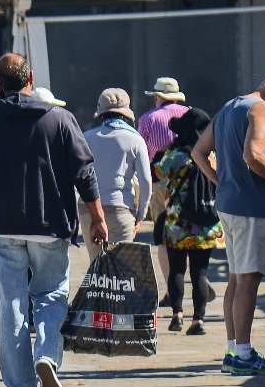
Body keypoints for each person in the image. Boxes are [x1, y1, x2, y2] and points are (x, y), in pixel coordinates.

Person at [0, 53, 101, 387]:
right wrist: (97, 217)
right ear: (31, 78)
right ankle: (47, 356)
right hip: (50, 223)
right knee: (52, 294)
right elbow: (84, 171)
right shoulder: (60, 118)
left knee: (12, 305)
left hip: (2, 223)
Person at [192, 74, 265, 374]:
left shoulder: (229, 107)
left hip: (227, 203)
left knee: (236, 280)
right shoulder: (262, 108)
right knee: (248, 281)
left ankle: (232, 351)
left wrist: (221, 181)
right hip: (251, 205)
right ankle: (244, 354)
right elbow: (253, 155)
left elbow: (198, 152)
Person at [156, 108, 220, 334]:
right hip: (206, 221)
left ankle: (177, 315)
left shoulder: (176, 156)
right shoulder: (212, 155)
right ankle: (199, 320)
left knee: (177, 269)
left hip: (177, 222)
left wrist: (164, 151)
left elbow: (157, 172)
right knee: (200, 273)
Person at [85, 88, 156, 247]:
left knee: (96, 267)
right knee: (121, 267)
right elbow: (145, 181)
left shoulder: (86, 137)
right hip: (120, 209)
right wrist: (140, 215)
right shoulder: (135, 140)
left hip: (88, 209)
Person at [138, 78, 189, 159]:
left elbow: (139, 151)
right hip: (188, 168)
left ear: (156, 97)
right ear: (176, 98)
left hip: (157, 169)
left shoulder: (147, 119)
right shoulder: (189, 113)